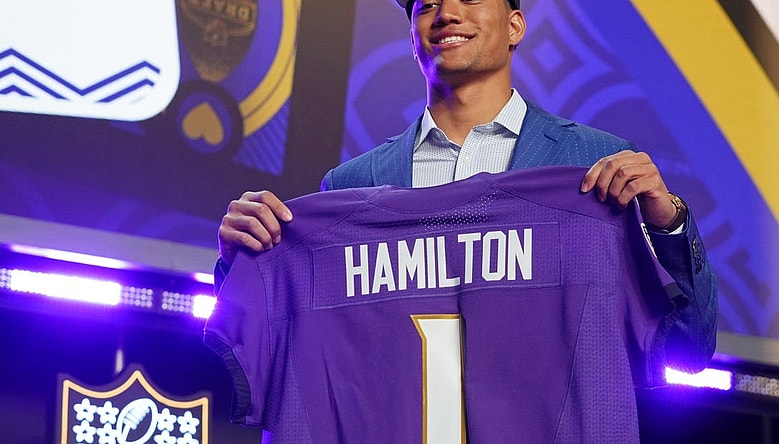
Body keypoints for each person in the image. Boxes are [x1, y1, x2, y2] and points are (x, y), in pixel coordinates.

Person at [216, 0, 716, 370]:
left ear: (515, 25)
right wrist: (239, 262)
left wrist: (667, 222)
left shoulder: (595, 164)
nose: (447, 14)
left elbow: (689, 349)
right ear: (412, 36)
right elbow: (295, 349)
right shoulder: (351, 185)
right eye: (427, 5)